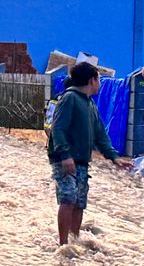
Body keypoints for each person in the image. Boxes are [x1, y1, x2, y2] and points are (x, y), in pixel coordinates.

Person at [48, 60, 129, 250]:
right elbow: (57, 129)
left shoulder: (89, 103)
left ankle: (74, 240)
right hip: (65, 160)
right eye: (99, 79)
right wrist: (65, 155)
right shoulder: (69, 98)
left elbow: (100, 133)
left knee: (79, 202)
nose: (99, 84)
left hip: (82, 161)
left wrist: (113, 157)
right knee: (68, 199)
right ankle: (63, 245)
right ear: (92, 80)